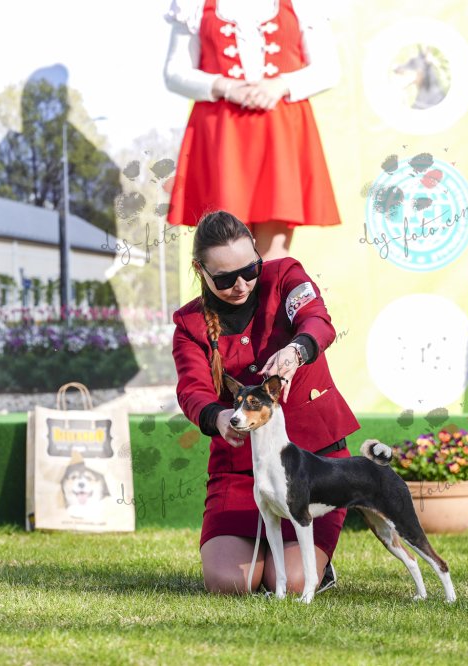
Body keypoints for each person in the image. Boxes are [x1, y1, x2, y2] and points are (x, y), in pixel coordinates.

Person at [172, 210, 359, 595]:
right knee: (228, 583)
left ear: (258, 252)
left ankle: (315, 567)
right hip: (243, 470)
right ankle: (269, 558)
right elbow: (192, 390)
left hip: (315, 465)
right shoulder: (189, 324)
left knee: (290, 581)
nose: (241, 285)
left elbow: (317, 321)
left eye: (250, 269)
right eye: (225, 279)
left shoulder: (287, 275)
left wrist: (296, 351)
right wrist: (218, 416)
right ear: (200, 270)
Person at [162, 0, 343, 260]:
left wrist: (280, 84)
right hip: (222, 135)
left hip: (279, 132)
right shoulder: (194, 4)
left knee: (273, 257)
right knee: (226, 252)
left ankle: (270, 289)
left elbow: (328, 69)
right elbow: (174, 72)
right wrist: (226, 86)